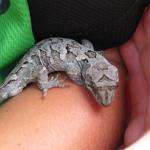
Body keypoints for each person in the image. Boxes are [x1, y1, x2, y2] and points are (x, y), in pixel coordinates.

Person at [0, 1, 150, 150]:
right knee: (39, 72)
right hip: (25, 72)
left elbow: (86, 44)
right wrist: (47, 84)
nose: (105, 98)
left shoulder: (90, 57)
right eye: (96, 88)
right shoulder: (76, 68)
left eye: (113, 86)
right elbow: (62, 68)